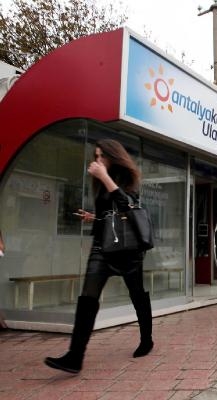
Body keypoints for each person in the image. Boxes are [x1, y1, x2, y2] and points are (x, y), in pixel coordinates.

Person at [45, 139, 153, 374]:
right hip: (101, 248)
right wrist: (94, 217)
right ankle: (75, 357)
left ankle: (147, 340)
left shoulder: (128, 179)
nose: (97, 161)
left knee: (137, 295)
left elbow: (127, 207)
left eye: (101, 156)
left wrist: (105, 176)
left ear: (113, 156)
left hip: (128, 251)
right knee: (87, 297)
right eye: (95, 156)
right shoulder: (101, 183)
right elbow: (110, 214)